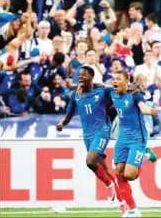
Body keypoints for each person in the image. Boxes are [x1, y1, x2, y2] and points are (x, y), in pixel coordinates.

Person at [56, 66, 126, 216]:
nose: (80, 78)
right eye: (79, 76)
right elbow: (68, 115)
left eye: (83, 76)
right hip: (87, 136)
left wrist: (103, 84)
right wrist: (62, 123)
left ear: (91, 78)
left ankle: (108, 185)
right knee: (105, 170)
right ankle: (123, 206)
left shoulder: (102, 91)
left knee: (90, 161)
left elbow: (118, 89)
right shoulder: (76, 95)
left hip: (102, 130)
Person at [110, 70, 157, 217]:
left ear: (127, 80)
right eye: (113, 79)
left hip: (137, 137)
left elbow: (142, 107)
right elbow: (97, 86)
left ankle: (144, 154)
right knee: (119, 172)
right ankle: (133, 210)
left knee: (130, 175)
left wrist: (149, 111)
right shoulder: (111, 93)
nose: (114, 81)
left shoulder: (135, 94)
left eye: (118, 79)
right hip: (122, 137)